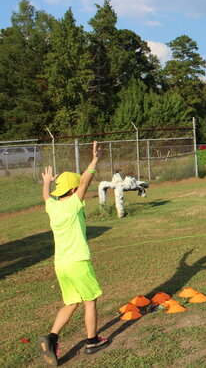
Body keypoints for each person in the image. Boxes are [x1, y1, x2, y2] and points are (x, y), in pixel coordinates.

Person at [38, 141, 109, 366]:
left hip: (61, 265)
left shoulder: (53, 207)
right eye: (77, 188)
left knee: (71, 302)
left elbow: (46, 197)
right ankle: (92, 341)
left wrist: (47, 183)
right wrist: (95, 161)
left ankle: (51, 337)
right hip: (78, 261)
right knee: (90, 300)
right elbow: (86, 182)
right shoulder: (73, 205)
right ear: (73, 190)